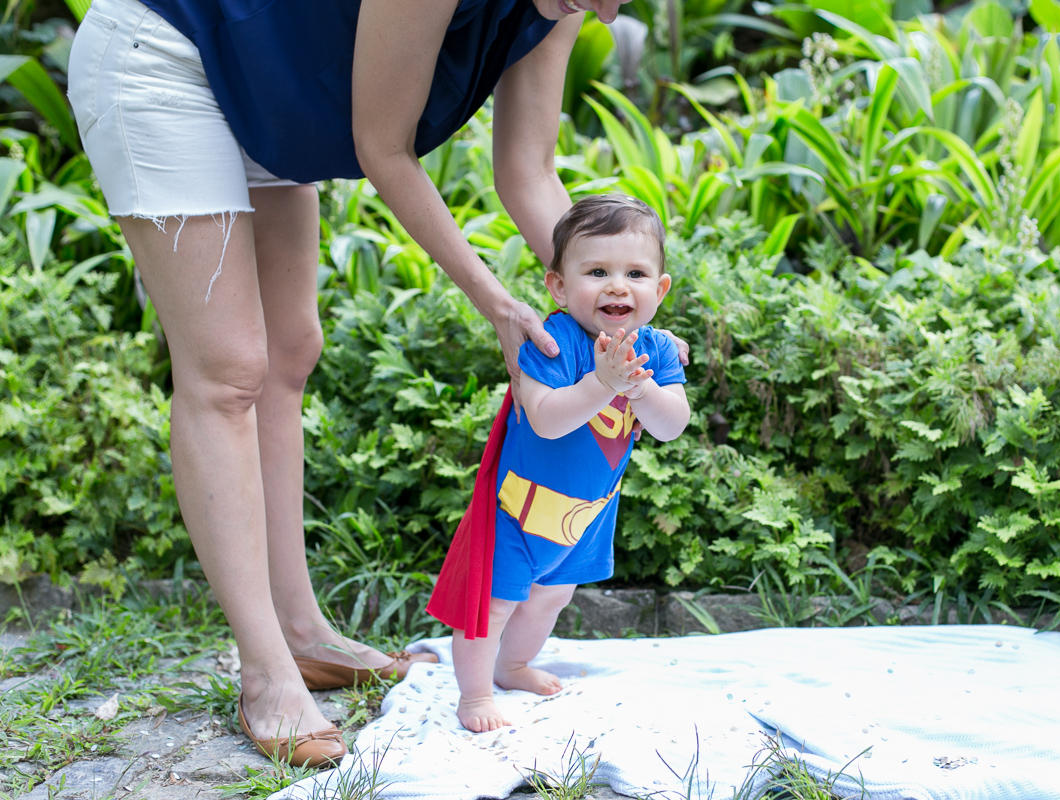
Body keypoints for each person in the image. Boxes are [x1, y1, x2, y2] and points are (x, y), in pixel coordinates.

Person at [66, 0, 691, 769]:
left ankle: (303, 633)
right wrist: (496, 300)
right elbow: (383, 149)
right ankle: (266, 672)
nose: (603, 10)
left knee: (291, 351)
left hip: (268, 97)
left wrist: (619, 311)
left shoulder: (564, 5)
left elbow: (527, 172)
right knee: (229, 370)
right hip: (172, 58)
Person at [427, 194, 690, 733]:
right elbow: (545, 419)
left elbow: (670, 425)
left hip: (585, 514)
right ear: (560, 287)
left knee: (552, 597)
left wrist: (637, 386)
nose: (618, 285)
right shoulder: (555, 342)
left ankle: (514, 664)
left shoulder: (657, 351)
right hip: (518, 508)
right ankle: (474, 695)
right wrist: (603, 383)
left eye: (635, 273)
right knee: (494, 604)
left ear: (659, 290)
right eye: (597, 271)